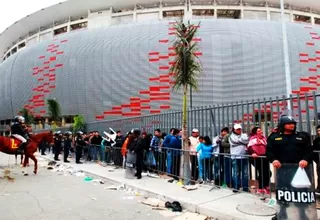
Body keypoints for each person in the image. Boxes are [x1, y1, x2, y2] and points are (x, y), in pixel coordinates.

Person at [267, 115, 313, 220]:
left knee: (301, 193)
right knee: (283, 192)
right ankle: (282, 213)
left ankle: (302, 214)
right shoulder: (274, 137)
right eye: (289, 124)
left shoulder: (302, 136)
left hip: (299, 170)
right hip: (282, 170)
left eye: (293, 124)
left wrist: (305, 159)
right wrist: (274, 160)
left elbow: (309, 151)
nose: (291, 125)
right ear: (283, 125)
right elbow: (269, 151)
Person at [247, 127, 270, 194]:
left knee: (268, 172)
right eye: (259, 131)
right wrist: (253, 153)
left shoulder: (264, 139)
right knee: (262, 172)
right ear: (255, 132)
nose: (261, 132)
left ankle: (265, 186)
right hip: (257, 158)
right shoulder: (253, 139)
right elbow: (249, 147)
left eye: (261, 130)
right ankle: (260, 188)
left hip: (264, 157)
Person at [229, 124, 249, 192]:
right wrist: (242, 142)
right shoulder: (231, 136)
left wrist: (240, 141)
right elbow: (233, 142)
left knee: (245, 173)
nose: (239, 130)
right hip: (235, 157)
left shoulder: (244, 135)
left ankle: (245, 187)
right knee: (236, 173)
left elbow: (247, 141)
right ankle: (236, 186)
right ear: (234, 130)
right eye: (237, 129)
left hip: (244, 156)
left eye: (240, 129)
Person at [313, 125, 320, 193]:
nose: (319, 132)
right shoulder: (316, 140)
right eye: (318, 131)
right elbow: (314, 151)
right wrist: (317, 160)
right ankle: (319, 189)